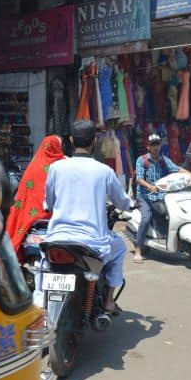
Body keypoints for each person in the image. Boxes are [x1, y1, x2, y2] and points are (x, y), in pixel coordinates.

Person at [44, 120, 133, 313]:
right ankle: (109, 301)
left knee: (41, 265)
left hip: (57, 238)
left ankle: (40, 301)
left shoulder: (56, 168)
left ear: (70, 140)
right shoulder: (104, 171)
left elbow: (48, 202)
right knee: (120, 247)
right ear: (94, 141)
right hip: (92, 242)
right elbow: (121, 201)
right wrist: (130, 205)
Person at [133, 133, 191, 263]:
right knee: (146, 218)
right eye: (153, 145)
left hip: (162, 195)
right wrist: (149, 186)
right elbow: (139, 179)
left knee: (174, 213)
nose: (155, 147)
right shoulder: (142, 160)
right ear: (148, 147)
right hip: (145, 196)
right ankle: (138, 249)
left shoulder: (164, 160)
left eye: (157, 145)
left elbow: (177, 169)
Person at [5, 135, 66, 262]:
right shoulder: (63, 164)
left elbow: (23, 194)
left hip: (32, 215)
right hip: (57, 215)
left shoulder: (33, 165)